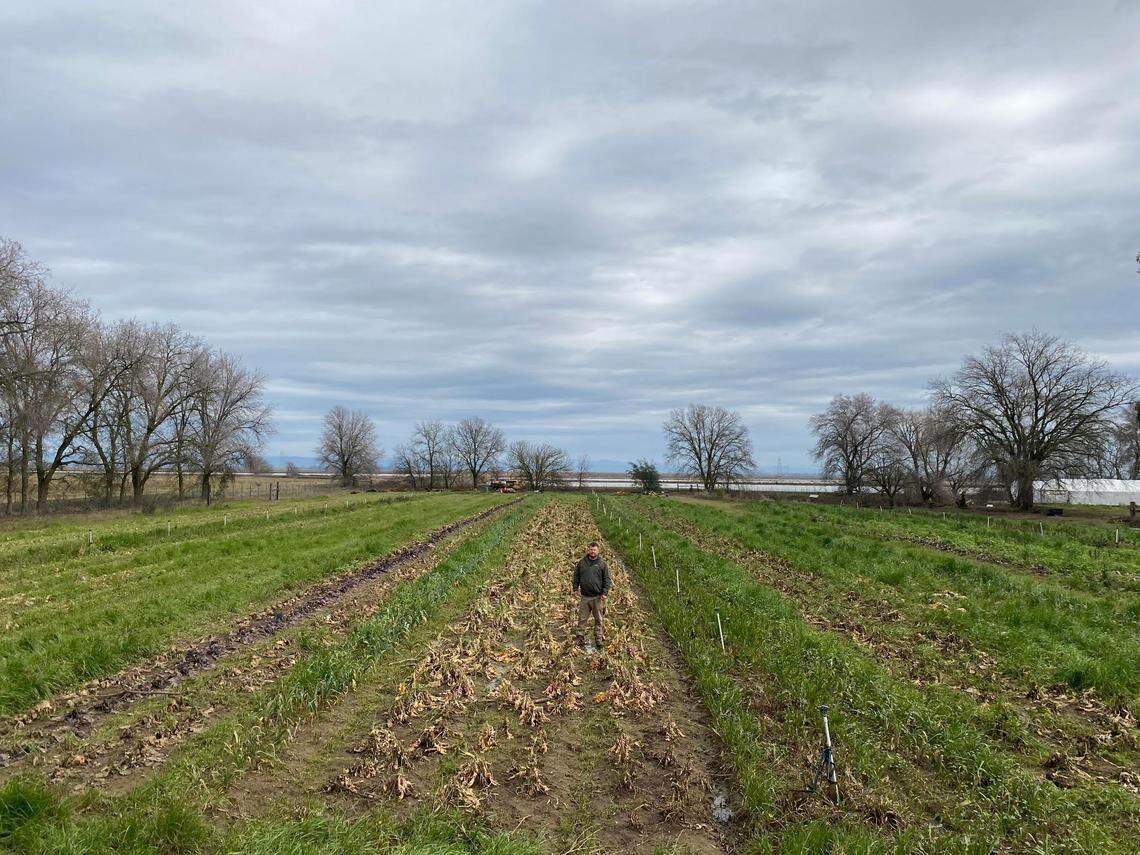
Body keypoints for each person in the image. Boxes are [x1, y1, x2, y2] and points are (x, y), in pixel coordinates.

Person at [573, 540, 611, 652]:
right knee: (582, 618)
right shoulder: (582, 562)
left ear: (598, 551)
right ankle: (580, 637)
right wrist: (575, 589)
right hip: (585, 597)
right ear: (588, 550)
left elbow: (607, 580)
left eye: (594, 550)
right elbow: (576, 576)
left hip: (597, 597)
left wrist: (604, 593)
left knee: (599, 619)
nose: (592, 551)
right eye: (590, 549)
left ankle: (598, 640)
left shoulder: (602, 564)